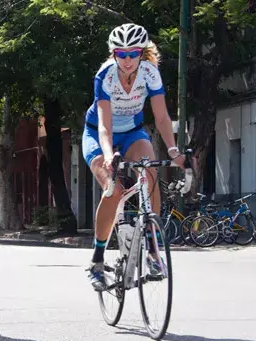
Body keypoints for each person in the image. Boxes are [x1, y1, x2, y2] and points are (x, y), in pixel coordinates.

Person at [83, 23, 185, 291]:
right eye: (122, 54)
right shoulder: (105, 76)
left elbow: (161, 116)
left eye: (133, 54)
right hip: (98, 135)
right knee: (112, 189)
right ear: (114, 54)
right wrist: (108, 155)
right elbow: (104, 125)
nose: (128, 60)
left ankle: (153, 251)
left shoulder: (150, 73)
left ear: (142, 53)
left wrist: (173, 150)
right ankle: (96, 259)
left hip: (132, 132)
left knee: (150, 173)